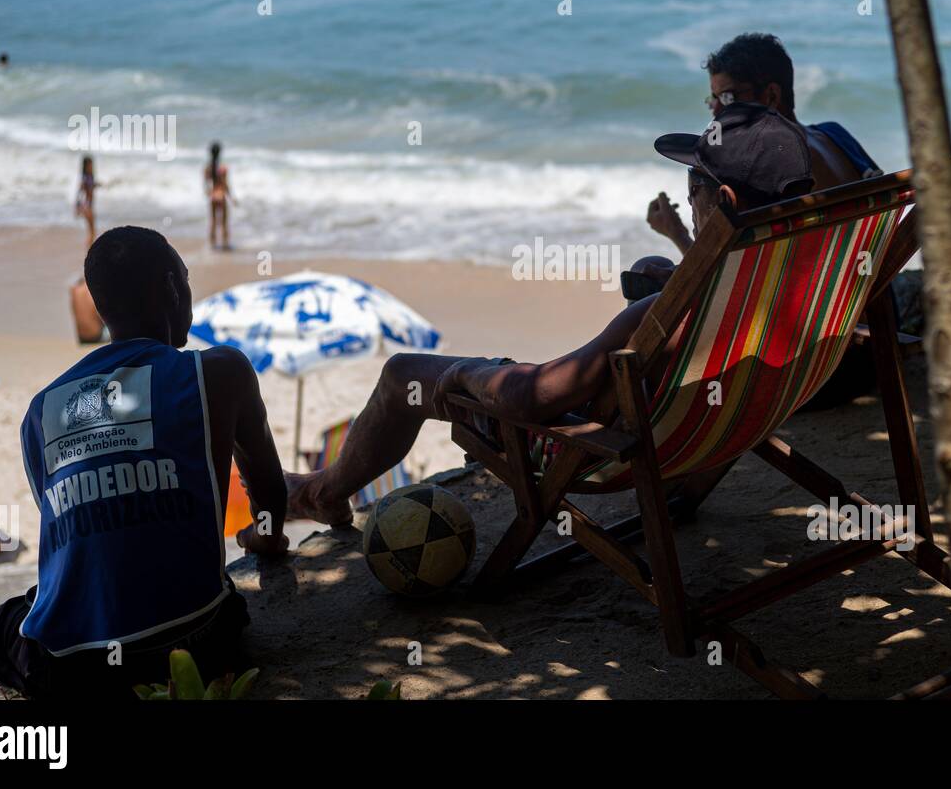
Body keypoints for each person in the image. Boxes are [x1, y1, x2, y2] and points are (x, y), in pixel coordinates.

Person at [286, 106, 813, 526]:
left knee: (403, 374)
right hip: (723, 422)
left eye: (693, 187)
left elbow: (531, 396)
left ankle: (317, 492)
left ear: (721, 199)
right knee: (653, 267)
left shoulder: (674, 315)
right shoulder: (806, 284)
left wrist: (465, 374)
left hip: (591, 442)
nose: (688, 199)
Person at [0, 227, 288, 700]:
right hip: (201, 643)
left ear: (102, 309)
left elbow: (82, 541)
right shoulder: (219, 372)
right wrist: (264, 535)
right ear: (170, 288)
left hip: (75, 671)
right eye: (186, 283)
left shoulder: (39, 412)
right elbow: (270, 494)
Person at [646, 32, 881, 255]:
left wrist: (677, 234)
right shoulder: (834, 135)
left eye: (728, 97)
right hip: (865, 285)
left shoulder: (770, 166)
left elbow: (728, 279)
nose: (717, 109)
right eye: (713, 98)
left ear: (771, 95)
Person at [204, 142, 234, 250]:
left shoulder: (208, 168)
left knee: (213, 221)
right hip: (221, 196)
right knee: (224, 221)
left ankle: (213, 245)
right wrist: (231, 198)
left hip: (213, 196)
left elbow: (206, 186)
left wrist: (210, 193)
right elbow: (226, 185)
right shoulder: (222, 168)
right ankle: (225, 244)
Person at [75, 155, 98, 248]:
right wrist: (77, 207)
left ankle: (89, 248)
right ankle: (89, 249)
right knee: (92, 230)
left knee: (91, 230)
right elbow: (80, 193)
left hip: (89, 205)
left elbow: (90, 188)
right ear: (85, 166)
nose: (91, 167)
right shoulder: (85, 178)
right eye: (89, 165)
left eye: (91, 165)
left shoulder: (89, 177)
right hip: (87, 206)